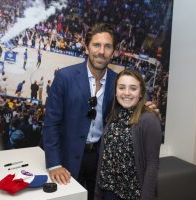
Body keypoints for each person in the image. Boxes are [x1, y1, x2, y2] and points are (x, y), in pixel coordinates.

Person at [43, 23, 155, 200]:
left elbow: (129, 107)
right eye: (96, 45)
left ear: (114, 52)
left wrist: (147, 110)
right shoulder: (64, 77)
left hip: (102, 160)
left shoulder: (117, 82)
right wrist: (54, 164)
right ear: (87, 48)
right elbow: (51, 124)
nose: (101, 51)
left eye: (107, 46)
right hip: (68, 159)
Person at [94, 69, 162, 200]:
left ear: (141, 93)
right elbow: (105, 159)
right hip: (108, 191)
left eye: (133, 88)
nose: (126, 93)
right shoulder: (114, 114)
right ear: (115, 91)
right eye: (121, 87)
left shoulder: (149, 119)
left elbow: (152, 165)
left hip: (133, 194)